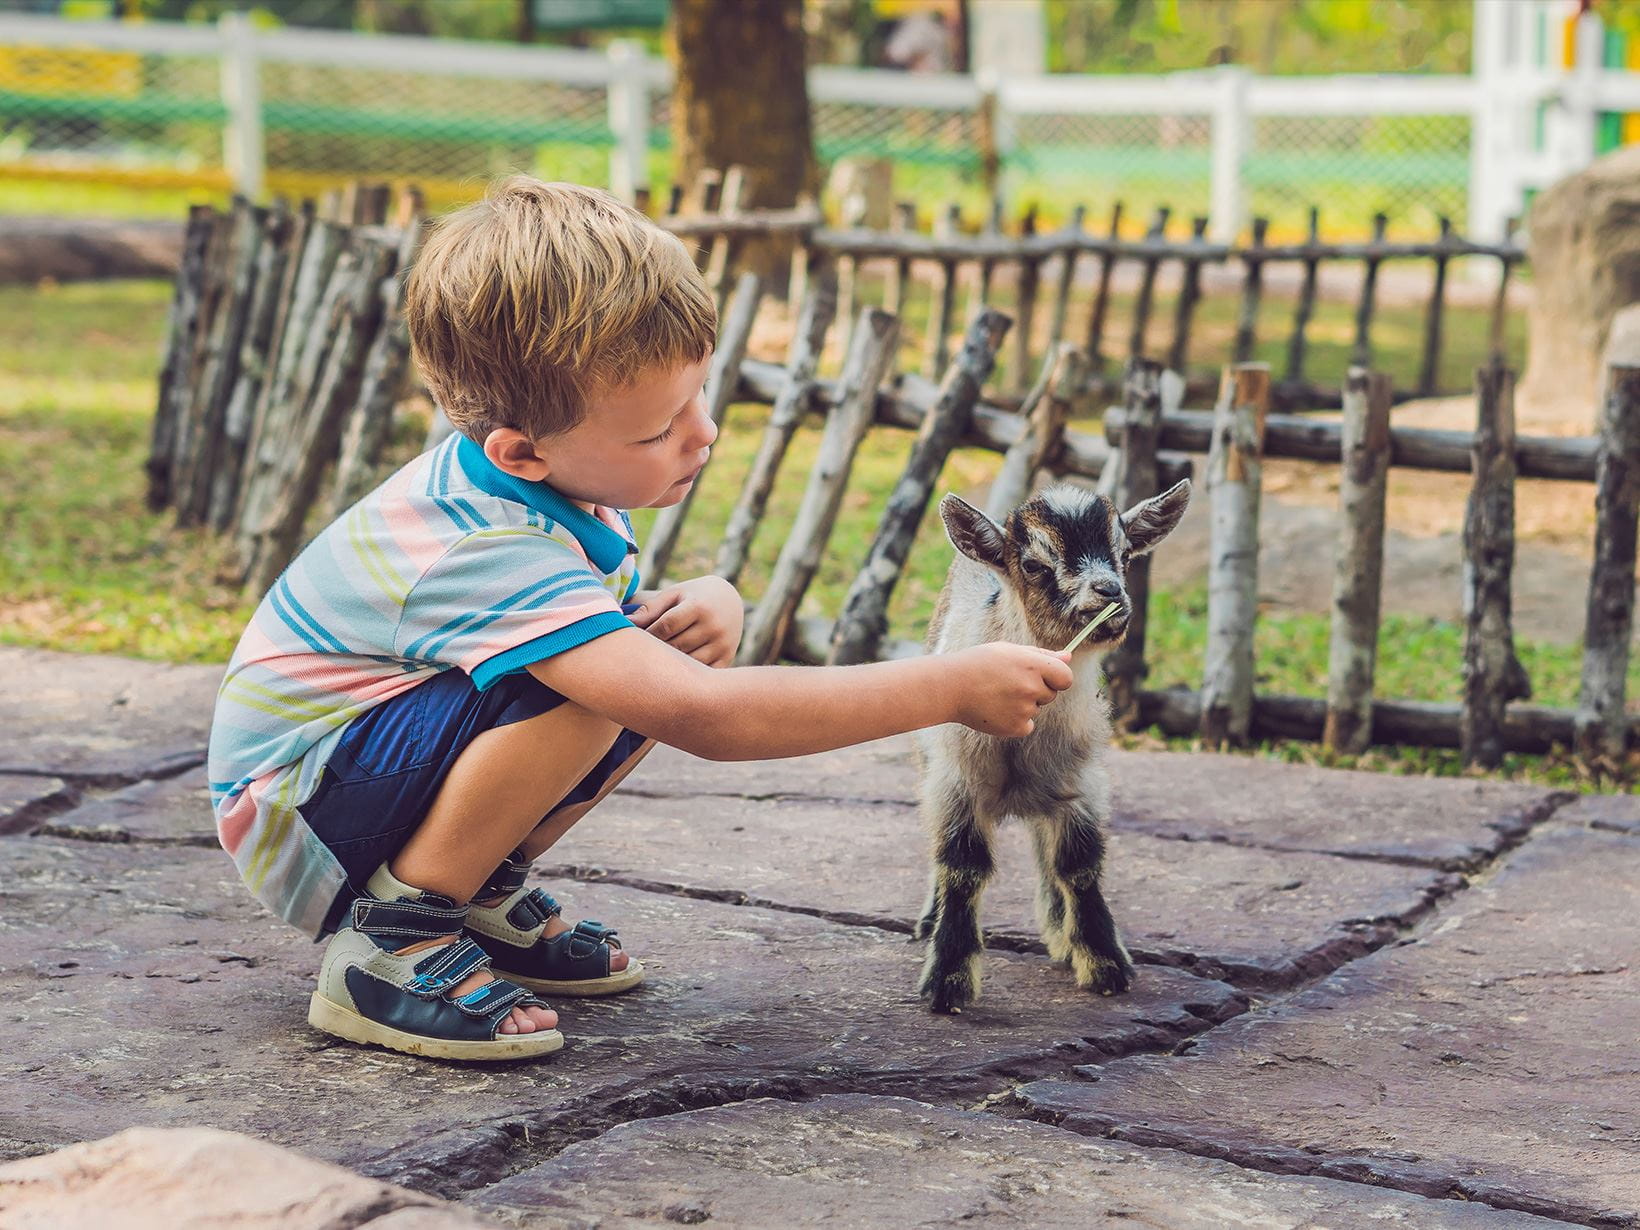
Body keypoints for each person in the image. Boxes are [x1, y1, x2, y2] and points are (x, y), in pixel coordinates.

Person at [206, 175, 1074, 1062]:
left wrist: (715, 600)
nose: (701, 434)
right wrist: (945, 687)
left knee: (638, 658)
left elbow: (638, 654)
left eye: (698, 398)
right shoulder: (482, 546)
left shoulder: (545, 487)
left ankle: (473, 889)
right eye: (660, 428)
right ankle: (394, 935)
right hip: (297, 812)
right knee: (608, 687)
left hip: (346, 778)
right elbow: (701, 717)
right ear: (523, 452)